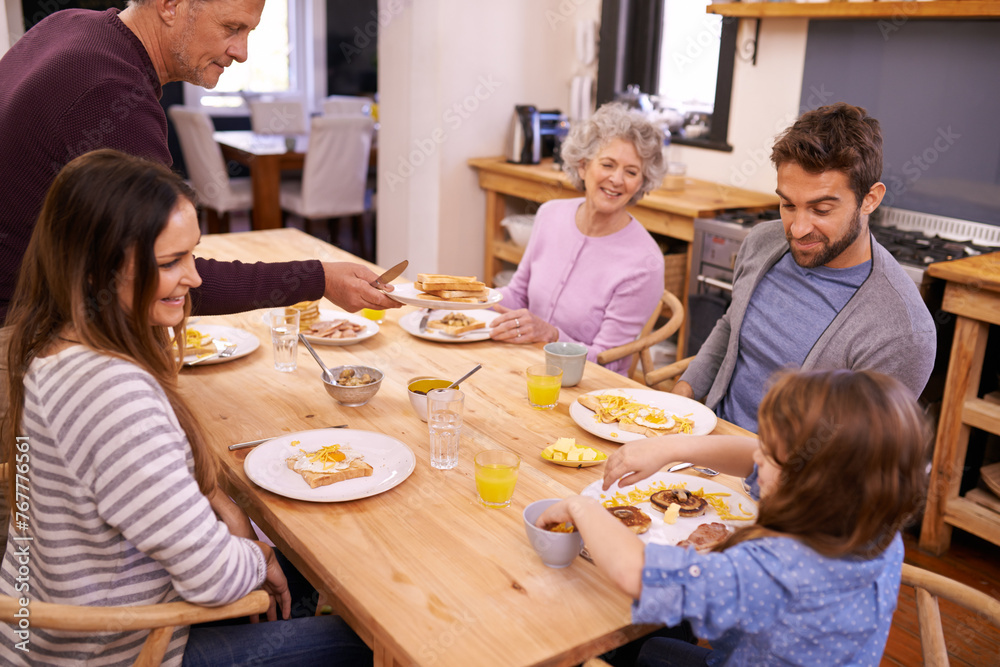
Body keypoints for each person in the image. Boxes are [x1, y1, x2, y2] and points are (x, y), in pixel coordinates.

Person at [0, 150, 372, 667]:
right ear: (96, 271)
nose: (195, 278)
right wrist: (258, 555)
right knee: (367, 640)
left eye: (192, 254)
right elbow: (214, 578)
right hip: (124, 652)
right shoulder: (112, 392)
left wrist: (216, 497)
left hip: (46, 635)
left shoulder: (51, 346)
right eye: (171, 263)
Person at [0, 0, 399, 322]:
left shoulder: (67, 24)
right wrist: (319, 278)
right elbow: (166, 277)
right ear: (170, 6)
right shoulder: (110, 93)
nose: (241, 52)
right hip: (23, 332)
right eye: (232, 28)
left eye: (248, 32)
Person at [539, 369, 930, 666]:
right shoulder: (873, 526)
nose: (756, 457)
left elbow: (635, 572)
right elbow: (752, 457)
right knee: (658, 644)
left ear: (811, 484)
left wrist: (582, 506)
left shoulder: (772, 571)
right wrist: (670, 447)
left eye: (771, 454)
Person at [674, 103, 936, 432]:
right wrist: (683, 394)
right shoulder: (762, 242)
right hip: (704, 445)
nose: (797, 230)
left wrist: (728, 460)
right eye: (787, 205)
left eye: (821, 209)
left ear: (869, 199)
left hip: (785, 480)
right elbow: (731, 326)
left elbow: (845, 460)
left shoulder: (903, 333)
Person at [490, 103, 667, 376]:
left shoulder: (645, 263)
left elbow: (607, 360)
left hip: (588, 389)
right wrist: (471, 301)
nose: (617, 179)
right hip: (524, 365)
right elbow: (517, 294)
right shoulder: (550, 214)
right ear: (583, 167)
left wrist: (551, 335)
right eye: (607, 164)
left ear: (641, 183)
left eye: (631, 172)